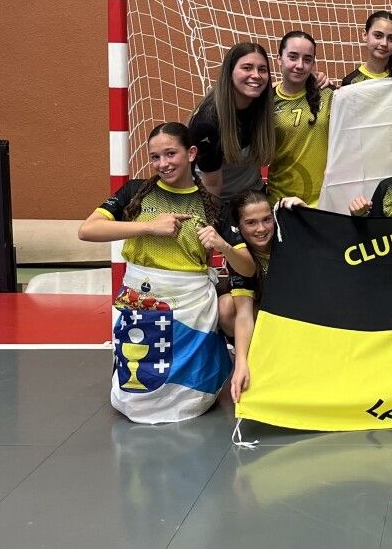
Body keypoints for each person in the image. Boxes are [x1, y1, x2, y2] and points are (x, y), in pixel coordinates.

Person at [78, 122, 256, 423]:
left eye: (171, 154)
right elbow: (87, 230)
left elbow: (247, 266)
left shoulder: (212, 204)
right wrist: (149, 226)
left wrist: (223, 246)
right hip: (139, 302)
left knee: (193, 394)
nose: (163, 163)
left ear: (191, 153)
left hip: (190, 307)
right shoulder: (135, 191)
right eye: (155, 157)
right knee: (136, 386)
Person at [187, 42, 276, 201]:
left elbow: (290, 87)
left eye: (262, 69)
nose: (256, 75)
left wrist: (313, 79)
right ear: (229, 73)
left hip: (253, 194)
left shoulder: (261, 101)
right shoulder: (207, 123)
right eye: (247, 68)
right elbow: (212, 187)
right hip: (220, 200)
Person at [221, 190, 282, 403]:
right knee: (226, 307)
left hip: (295, 315)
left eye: (267, 220)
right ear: (238, 227)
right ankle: (255, 360)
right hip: (265, 318)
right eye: (251, 223)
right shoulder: (240, 257)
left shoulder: (289, 238)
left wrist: (301, 209)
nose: (262, 229)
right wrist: (241, 364)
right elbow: (244, 314)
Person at [267, 30, 334, 208]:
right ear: (279, 58)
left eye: (307, 59)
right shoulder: (265, 101)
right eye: (293, 57)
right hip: (281, 201)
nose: (300, 65)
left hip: (324, 202)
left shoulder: (329, 95)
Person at [340, 10, 392, 86]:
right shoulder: (351, 82)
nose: (384, 43)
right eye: (378, 36)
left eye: (391, 38)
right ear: (365, 35)